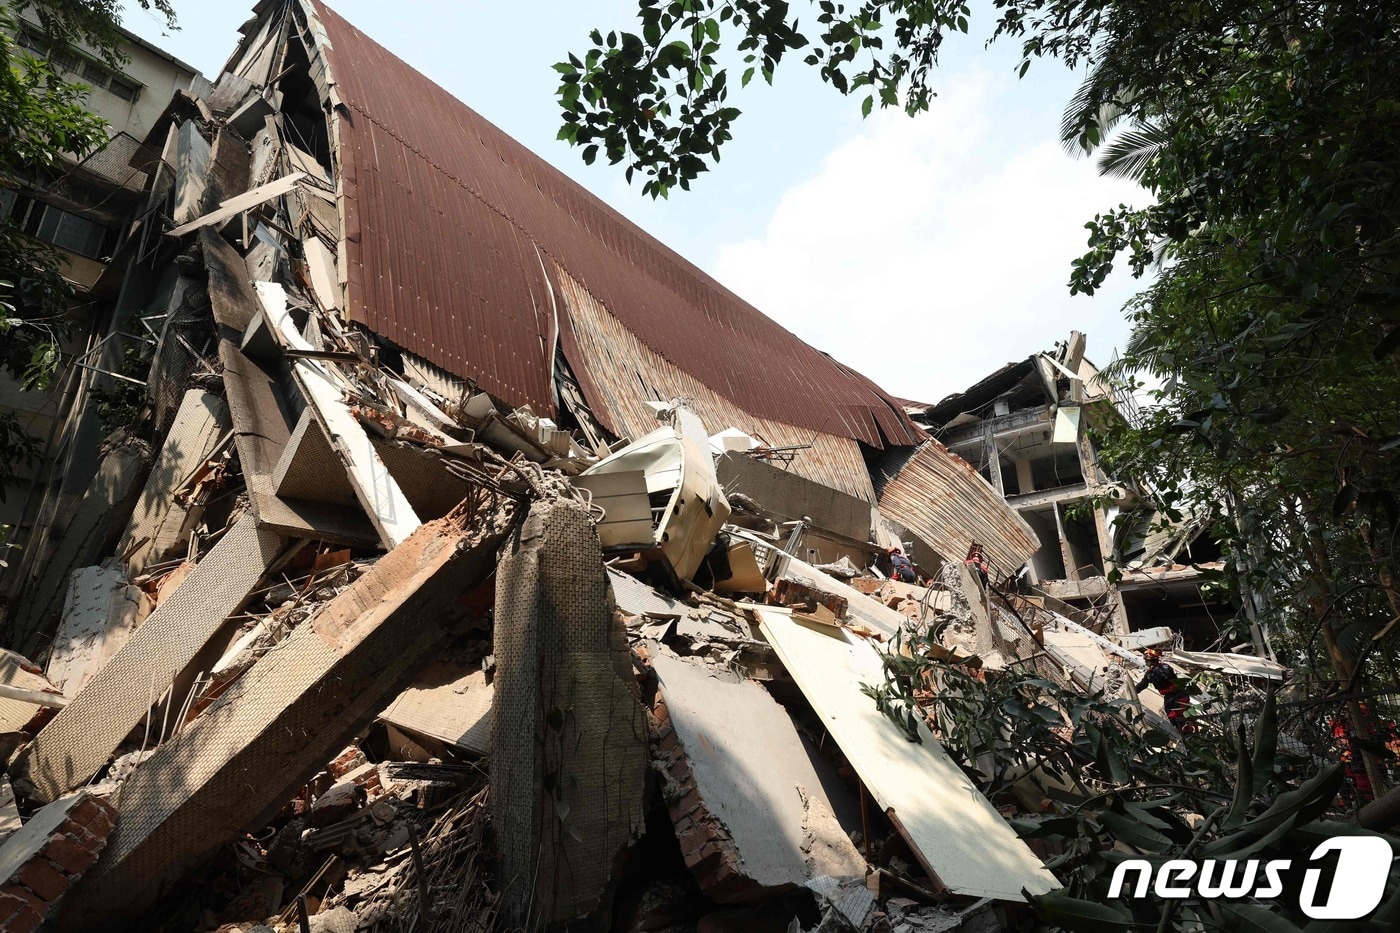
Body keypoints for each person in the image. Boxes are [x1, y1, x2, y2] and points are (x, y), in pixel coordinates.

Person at [1135, 648, 1197, 735]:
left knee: (1184, 714)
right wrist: (1133, 691)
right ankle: (1182, 734)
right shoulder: (1149, 673)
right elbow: (1143, 684)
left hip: (1178, 693)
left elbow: (1167, 675)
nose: (1146, 663)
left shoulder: (1164, 667)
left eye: (1147, 661)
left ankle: (1193, 733)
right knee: (1172, 716)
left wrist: (1156, 671)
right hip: (1169, 696)